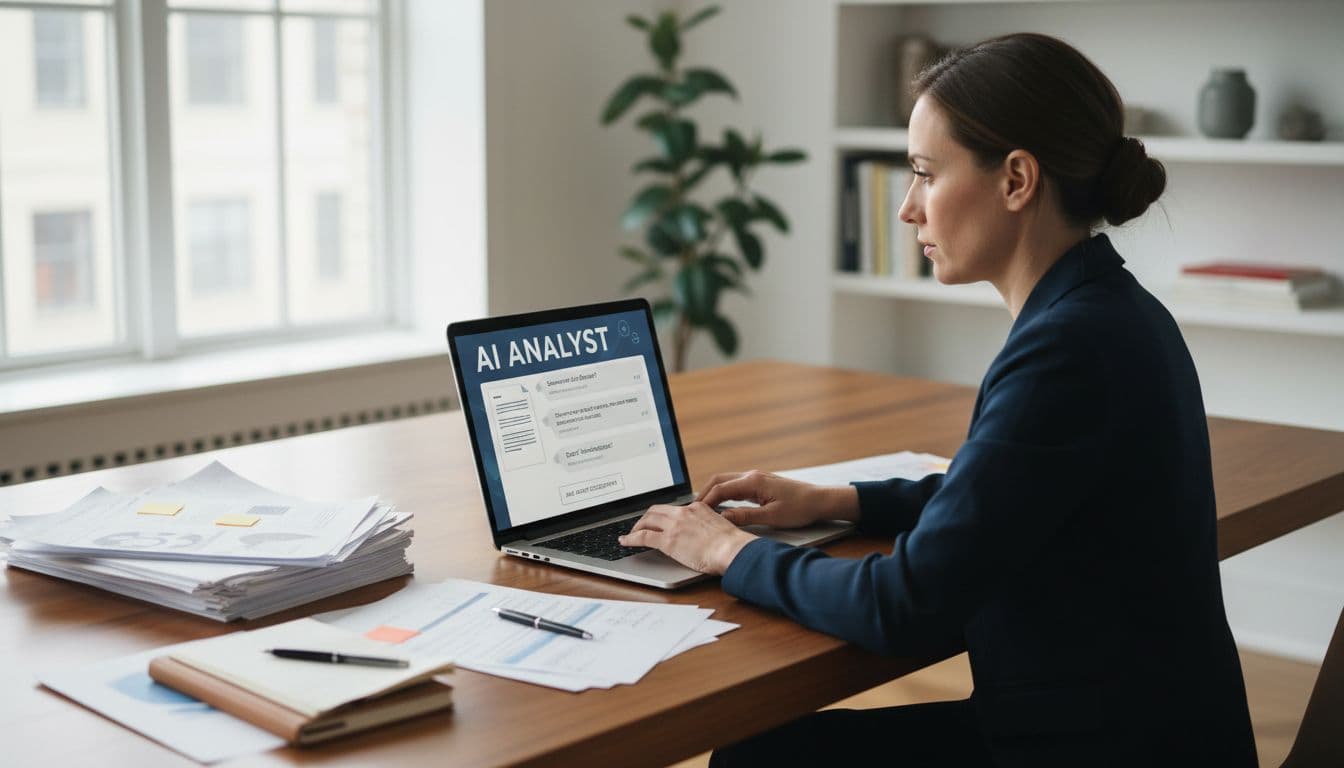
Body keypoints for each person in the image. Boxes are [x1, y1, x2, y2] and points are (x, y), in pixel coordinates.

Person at [618, 32, 1258, 767]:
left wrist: (727, 549)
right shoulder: (1109, 309)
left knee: (757, 759)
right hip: (1138, 733)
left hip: (1094, 750)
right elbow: (1002, 499)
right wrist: (836, 499)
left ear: (1017, 180)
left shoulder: (1067, 349)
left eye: (925, 174)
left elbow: (903, 606)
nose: (907, 210)